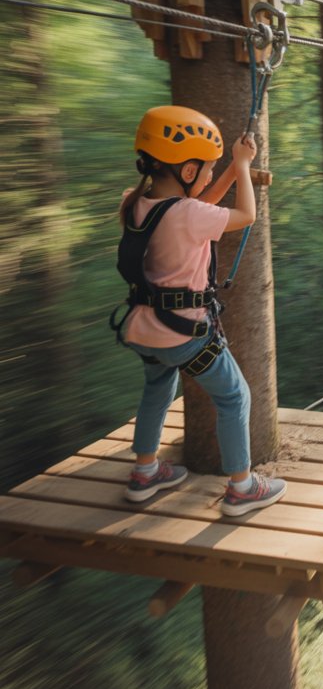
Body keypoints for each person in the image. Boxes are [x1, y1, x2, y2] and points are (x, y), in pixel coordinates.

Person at [113, 105, 286, 517]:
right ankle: (242, 487)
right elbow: (245, 215)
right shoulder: (187, 215)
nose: (209, 175)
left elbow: (193, 209)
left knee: (157, 389)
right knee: (233, 395)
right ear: (187, 172)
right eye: (205, 169)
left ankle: (145, 473)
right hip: (184, 333)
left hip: (144, 328)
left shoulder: (134, 203)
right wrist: (244, 167)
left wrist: (228, 167)